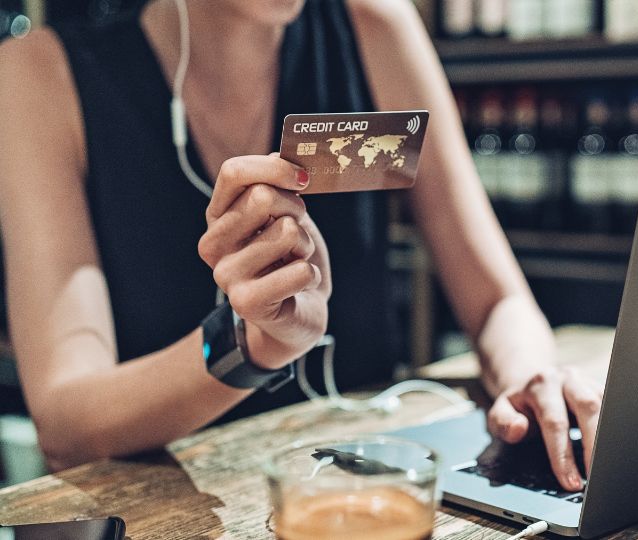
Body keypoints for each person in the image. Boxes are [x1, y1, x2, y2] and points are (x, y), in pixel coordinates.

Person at [0, 0, 602, 492]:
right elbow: (66, 422)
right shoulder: (39, 76)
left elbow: (495, 299)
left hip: (368, 490)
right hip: (170, 508)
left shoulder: (375, 27)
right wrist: (249, 347)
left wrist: (532, 375)